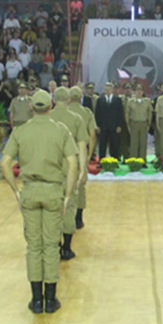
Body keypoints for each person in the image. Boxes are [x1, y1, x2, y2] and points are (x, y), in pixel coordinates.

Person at [0, 89, 79, 314]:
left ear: (32, 108)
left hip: (31, 191)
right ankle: (51, 299)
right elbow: (73, 164)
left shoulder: (20, 131)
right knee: (51, 245)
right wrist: (67, 194)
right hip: (54, 191)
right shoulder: (61, 131)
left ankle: (36, 300)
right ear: (51, 106)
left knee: (34, 246)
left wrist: (16, 190)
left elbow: (5, 162)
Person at [48, 87, 88, 260]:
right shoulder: (76, 118)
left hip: (50, 167)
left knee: (52, 208)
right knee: (69, 205)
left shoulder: (47, 118)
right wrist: (82, 169)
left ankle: (54, 246)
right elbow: (82, 145)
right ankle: (67, 247)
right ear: (69, 100)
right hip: (70, 167)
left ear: (54, 100)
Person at [68, 85, 95, 229]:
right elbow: (92, 135)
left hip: (64, 156)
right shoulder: (87, 112)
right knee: (80, 186)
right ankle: (78, 218)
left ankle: (65, 217)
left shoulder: (58, 113)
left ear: (69, 98)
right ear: (80, 97)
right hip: (80, 154)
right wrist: (89, 154)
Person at [95, 82, 124, 160]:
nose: (107, 91)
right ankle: (102, 161)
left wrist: (119, 125)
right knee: (102, 145)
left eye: (109, 89)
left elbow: (120, 113)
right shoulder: (100, 100)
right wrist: (97, 126)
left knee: (114, 145)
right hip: (103, 127)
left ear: (112, 90)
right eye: (106, 89)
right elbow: (97, 114)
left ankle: (115, 160)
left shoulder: (117, 100)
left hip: (114, 127)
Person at [124, 83, 153, 161]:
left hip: (144, 124)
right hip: (134, 123)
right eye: (137, 90)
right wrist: (128, 125)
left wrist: (149, 124)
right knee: (134, 143)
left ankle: (142, 160)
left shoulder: (147, 101)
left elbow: (149, 112)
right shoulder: (130, 101)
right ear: (134, 91)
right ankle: (134, 161)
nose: (139, 92)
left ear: (143, 91)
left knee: (143, 143)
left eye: (140, 90)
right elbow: (127, 113)